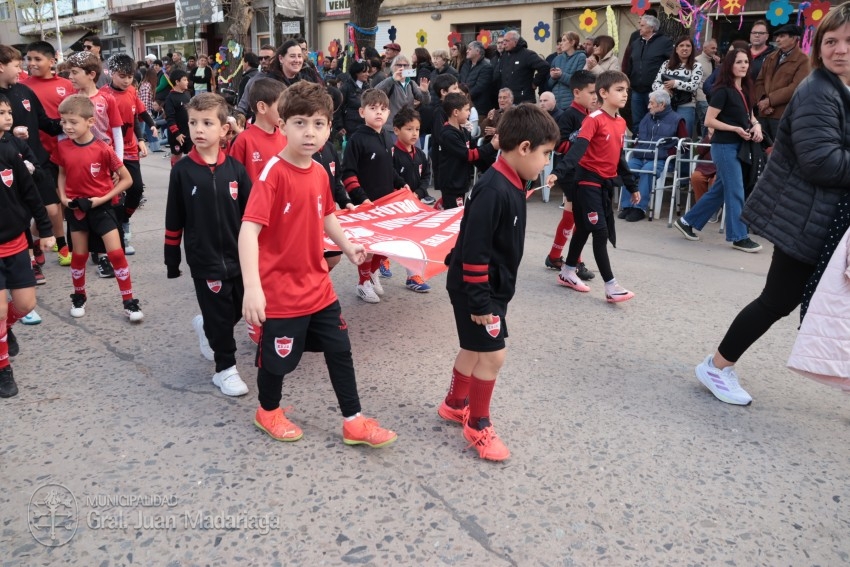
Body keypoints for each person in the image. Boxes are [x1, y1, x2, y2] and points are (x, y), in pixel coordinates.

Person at [683, 4, 850, 405]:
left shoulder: (842, 89)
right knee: (777, 301)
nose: (840, 49)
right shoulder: (818, 90)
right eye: (830, 41)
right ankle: (716, 366)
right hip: (805, 219)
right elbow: (821, 161)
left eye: (848, 41)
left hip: (828, 221)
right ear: (818, 47)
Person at [239, 81, 397, 448]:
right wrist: (253, 288)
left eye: (318, 124)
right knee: (277, 362)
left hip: (318, 286)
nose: (309, 132)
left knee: (340, 350)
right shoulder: (273, 175)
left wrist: (348, 246)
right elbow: (248, 232)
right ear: (283, 125)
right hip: (280, 292)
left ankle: (354, 421)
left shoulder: (320, 172)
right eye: (300, 123)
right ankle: (268, 411)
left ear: (329, 129)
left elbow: (327, 215)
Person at [438, 103, 558, 461]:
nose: (546, 163)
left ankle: (454, 404)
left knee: (474, 349)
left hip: (488, 287)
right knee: (493, 356)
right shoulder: (494, 189)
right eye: (545, 154)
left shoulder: (512, 180)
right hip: (478, 290)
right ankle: (478, 424)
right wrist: (479, 301)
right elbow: (475, 250)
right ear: (524, 147)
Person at [165, 93, 252, 397]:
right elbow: (174, 218)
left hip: (239, 257)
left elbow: (251, 216)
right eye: (193, 123)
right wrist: (172, 260)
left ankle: (206, 325)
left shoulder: (236, 170)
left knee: (238, 308)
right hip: (204, 259)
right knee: (220, 317)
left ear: (224, 129)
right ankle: (225, 369)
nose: (199, 129)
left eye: (207, 123)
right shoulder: (182, 171)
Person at [546, 70, 639, 303]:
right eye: (619, 90)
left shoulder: (621, 122)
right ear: (603, 93)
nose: (625, 94)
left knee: (583, 229)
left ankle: (568, 271)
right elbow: (577, 150)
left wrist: (632, 185)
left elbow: (619, 158)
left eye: (626, 90)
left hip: (603, 184)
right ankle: (611, 286)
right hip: (586, 181)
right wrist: (558, 172)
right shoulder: (593, 119)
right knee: (600, 231)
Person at [53, 94, 142, 321]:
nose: (67, 126)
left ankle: (129, 301)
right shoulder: (62, 147)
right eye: (63, 121)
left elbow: (127, 179)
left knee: (116, 254)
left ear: (90, 122)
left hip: (102, 209)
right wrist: (63, 197)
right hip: (76, 210)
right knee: (79, 256)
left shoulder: (103, 148)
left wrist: (102, 199)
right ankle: (79, 296)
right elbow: (62, 174)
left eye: (73, 122)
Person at [674, 48, 764, 253]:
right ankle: (739, 237)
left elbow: (750, 116)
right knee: (736, 190)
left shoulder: (745, 90)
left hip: (738, 146)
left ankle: (687, 222)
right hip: (724, 146)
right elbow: (709, 121)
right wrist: (734, 129)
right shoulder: (722, 91)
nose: (743, 66)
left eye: (746, 62)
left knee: (720, 190)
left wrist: (757, 126)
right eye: (739, 62)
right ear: (729, 65)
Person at [0, 97, 56, 397]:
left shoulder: (11, 151)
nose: (7, 117)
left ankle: (6, 328)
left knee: (24, 305)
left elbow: (31, 193)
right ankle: (3, 369)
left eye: (8, 112)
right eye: (1, 113)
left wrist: (45, 230)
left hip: (15, 243)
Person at [341, 88, 408, 303]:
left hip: (386, 204)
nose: (378, 112)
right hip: (366, 204)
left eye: (383, 109)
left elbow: (390, 169)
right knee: (367, 248)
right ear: (362, 112)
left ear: (388, 113)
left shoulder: (387, 137)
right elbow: (347, 173)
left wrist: (402, 184)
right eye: (373, 108)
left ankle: (372, 273)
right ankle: (362, 284)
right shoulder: (356, 139)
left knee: (386, 245)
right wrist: (361, 198)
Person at [67, 50, 125, 276]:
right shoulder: (70, 101)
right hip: (80, 164)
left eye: (74, 72)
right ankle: (88, 250)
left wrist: (118, 165)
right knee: (83, 208)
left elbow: (117, 132)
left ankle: (104, 256)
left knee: (106, 208)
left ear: (91, 74)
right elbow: (64, 134)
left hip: (104, 163)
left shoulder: (106, 98)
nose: (70, 77)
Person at [20, 41, 72, 267]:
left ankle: (44, 238)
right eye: (28, 59)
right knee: (48, 205)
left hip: (64, 153)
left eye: (37, 59)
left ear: (52, 61)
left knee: (61, 203)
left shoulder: (66, 85)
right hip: (36, 155)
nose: (31, 63)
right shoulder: (22, 87)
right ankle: (55, 243)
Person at [102, 54, 157, 256]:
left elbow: (137, 115)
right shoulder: (103, 95)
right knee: (115, 194)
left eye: (130, 76)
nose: (126, 81)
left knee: (136, 189)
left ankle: (124, 220)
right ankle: (116, 236)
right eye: (122, 76)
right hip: (110, 150)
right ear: (112, 73)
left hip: (130, 149)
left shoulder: (132, 91)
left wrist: (145, 134)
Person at [546, 70, 598, 281]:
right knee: (580, 217)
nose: (595, 97)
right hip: (570, 173)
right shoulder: (569, 115)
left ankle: (555, 256)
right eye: (591, 92)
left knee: (572, 215)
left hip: (583, 172)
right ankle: (574, 261)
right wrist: (580, 141)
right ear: (576, 92)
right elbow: (558, 145)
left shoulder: (589, 115)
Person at [618, 90, 687, 222]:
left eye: (652, 103)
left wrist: (667, 153)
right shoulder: (647, 117)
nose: (648, 106)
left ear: (662, 105)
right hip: (640, 156)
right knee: (628, 169)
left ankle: (639, 208)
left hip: (660, 159)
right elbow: (639, 137)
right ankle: (627, 206)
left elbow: (685, 144)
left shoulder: (677, 120)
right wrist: (637, 148)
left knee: (647, 171)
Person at [391, 106, 434, 291]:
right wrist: (401, 193)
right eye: (409, 129)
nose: (414, 133)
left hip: (415, 205)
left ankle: (413, 276)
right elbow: (389, 176)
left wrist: (419, 193)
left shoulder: (421, 155)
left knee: (414, 241)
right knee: (392, 239)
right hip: (396, 207)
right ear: (396, 130)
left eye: (417, 129)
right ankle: (379, 263)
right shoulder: (391, 154)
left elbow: (426, 177)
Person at [435, 92, 498, 209]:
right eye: (467, 110)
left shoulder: (463, 131)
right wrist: (492, 146)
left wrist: (492, 166)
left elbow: (475, 151)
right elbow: (469, 155)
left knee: (458, 213)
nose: (469, 113)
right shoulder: (448, 134)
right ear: (456, 112)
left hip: (460, 183)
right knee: (454, 214)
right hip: (451, 184)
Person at [754, 24, 811, 141]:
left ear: (794, 38)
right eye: (777, 37)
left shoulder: (803, 60)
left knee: (779, 148)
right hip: (763, 113)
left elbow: (796, 87)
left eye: (782, 36)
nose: (777, 40)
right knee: (761, 148)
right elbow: (759, 81)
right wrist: (763, 100)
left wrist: (770, 101)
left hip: (783, 115)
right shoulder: (770, 57)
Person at [229, 78, 287, 183]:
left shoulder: (284, 136)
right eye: (281, 106)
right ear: (262, 107)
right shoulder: (243, 140)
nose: (285, 110)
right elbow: (233, 179)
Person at [624, 14, 673, 130]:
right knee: (636, 121)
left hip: (655, 90)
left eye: (642, 25)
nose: (639, 28)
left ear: (651, 28)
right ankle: (637, 140)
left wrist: (667, 85)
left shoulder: (664, 42)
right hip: (636, 89)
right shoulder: (636, 43)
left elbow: (672, 65)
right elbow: (629, 63)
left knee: (655, 119)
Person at [651, 36, 702, 138]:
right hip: (666, 105)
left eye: (688, 46)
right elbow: (655, 84)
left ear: (692, 49)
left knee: (684, 136)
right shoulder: (666, 64)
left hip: (686, 105)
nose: (685, 48)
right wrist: (664, 89)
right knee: (665, 135)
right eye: (681, 45)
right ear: (676, 49)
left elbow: (694, 86)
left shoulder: (696, 66)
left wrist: (676, 83)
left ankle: (683, 150)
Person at [374, 54, 430, 137]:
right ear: (393, 67)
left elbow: (426, 101)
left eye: (405, 65)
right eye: (399, 65)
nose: (402, 68)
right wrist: (392, 79)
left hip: (409, 126)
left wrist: (425, 91)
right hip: (392, 128)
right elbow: (376, 92)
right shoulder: (390, 82)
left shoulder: (411, 83)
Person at [493, 30, 550, 103]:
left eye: (507, 41)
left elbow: (544, 66)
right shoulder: (504, 56)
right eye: (504, 41)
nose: (504, 43)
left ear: (515, 42)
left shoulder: (527, 54)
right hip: (508, 101)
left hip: (524, 100)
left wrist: (535, 82)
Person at [548, 32, 587, 109]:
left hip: (571, 104)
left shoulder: (581, 57)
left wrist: (561, 75)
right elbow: (549, 85)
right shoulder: (557, 59)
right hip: (556, 103)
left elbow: (578, 82)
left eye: (564, 40)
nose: (561, 43)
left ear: (572, 42)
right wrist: (553, 77)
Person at [165, 69, 191, 166]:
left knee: (192, 154)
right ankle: (175, 173)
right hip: (176, 134)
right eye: (184, 80)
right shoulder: (170, 98)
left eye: (187, 80)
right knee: (177, 155)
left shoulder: (187, 94)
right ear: (177, 82)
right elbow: (170, 118)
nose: (187, 82)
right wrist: (177, 134)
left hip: (188, 132)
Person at [460, 41, 495, 116]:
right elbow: (461, 82)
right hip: (464, 106)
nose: (467, 51)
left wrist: (465, 96)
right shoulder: (466, 64)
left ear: (477, 51)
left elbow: (480, 87)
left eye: (469, 49)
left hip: (479, 108)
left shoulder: (486, 67)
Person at [336, 60, 368, 137]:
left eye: (368, 72)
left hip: (365, 126)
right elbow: (338, 108)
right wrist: (339, 126)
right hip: (350, 127)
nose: (367, 74)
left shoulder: (368, 86)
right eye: (364, 72)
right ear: (356, 72)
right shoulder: (346, 87)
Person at [695, 39, 720, 134]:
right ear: (704, 48)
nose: (715, 50)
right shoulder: (697, 61)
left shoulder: (713, 61)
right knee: (706, 123)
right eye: (712, 48)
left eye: (716, 48)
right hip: (701, 98)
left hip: (709, 97)